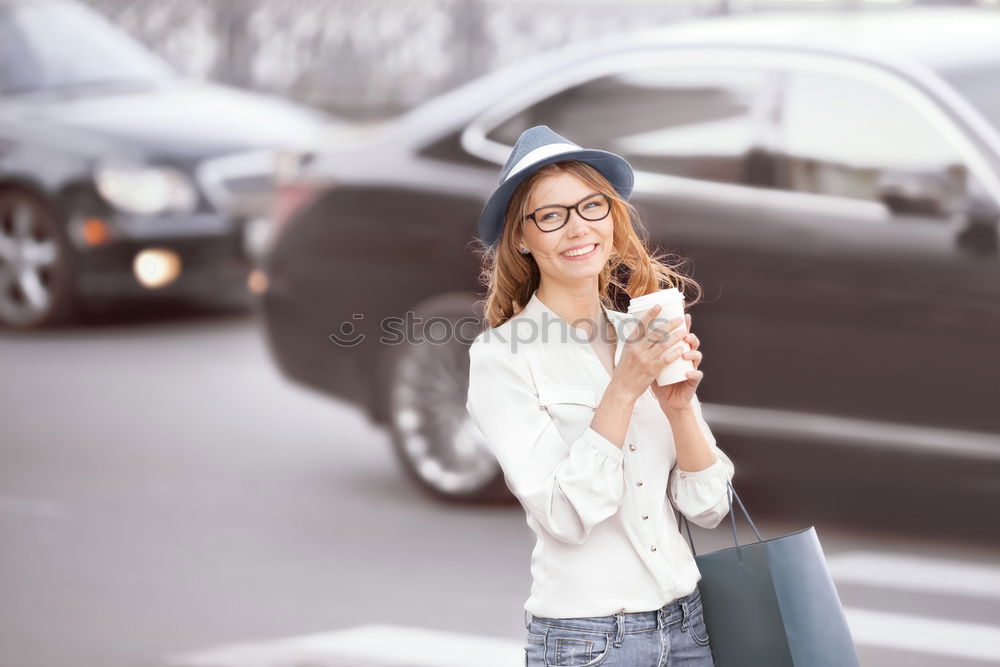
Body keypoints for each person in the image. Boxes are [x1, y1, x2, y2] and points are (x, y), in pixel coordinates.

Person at [465, 125, 735, 667]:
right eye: (551, 215)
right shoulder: (502, 356)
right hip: (589, 642)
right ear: (522, 237)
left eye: (592, 206)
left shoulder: (644, 330)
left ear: (612, 218)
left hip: (690, 628)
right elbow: (565, 515)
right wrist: (625, 388)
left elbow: (709, 507)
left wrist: (679, 409)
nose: (577, 227)